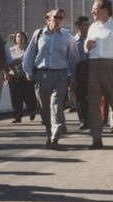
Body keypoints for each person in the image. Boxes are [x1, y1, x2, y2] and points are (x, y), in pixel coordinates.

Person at [23, 8, 79, 148]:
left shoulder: (68, 36)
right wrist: (28, 71)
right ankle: (50, 133)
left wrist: (73, 77)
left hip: (60, 75)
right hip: (42, 75)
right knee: (44, 108)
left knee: (56, 104)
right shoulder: (39, 34)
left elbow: (73, 58)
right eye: (56, 17)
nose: (58, 20)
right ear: (48, 18)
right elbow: (29, 54)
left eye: (61, 18)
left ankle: (55, 134)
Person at [85, 0, 113, 149]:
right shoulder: (92, 27)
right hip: (95, 66)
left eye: (95, 9)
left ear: (104, 10)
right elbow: (87, 47)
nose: (92, 12)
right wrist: (87, 45)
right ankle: (96, 138)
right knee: (94, 104)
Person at [5, 31, 39, 123]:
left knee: (28, 95)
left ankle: (32, 110)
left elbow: (28, 59)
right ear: (15, 39)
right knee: (15, 97)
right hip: (14, 76)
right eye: (18, 37)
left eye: (22, 37)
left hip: (26, 76)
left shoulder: (29, 49)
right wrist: (7, 74)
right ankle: (17, 116)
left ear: (25, 38)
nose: (19, 38)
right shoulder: (11, 50)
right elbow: (7, 61)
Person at [73, 16, 91, 129]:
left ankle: (95, 119)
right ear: (78, 26)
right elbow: (71, 60)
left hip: (92, 68)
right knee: (80, 97)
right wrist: (72, 77)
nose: (87, 27)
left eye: (88, 24)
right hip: (79, 70)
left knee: (93, 97)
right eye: (84, 25)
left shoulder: (93, 39)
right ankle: (84, 120)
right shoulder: (73, 41)